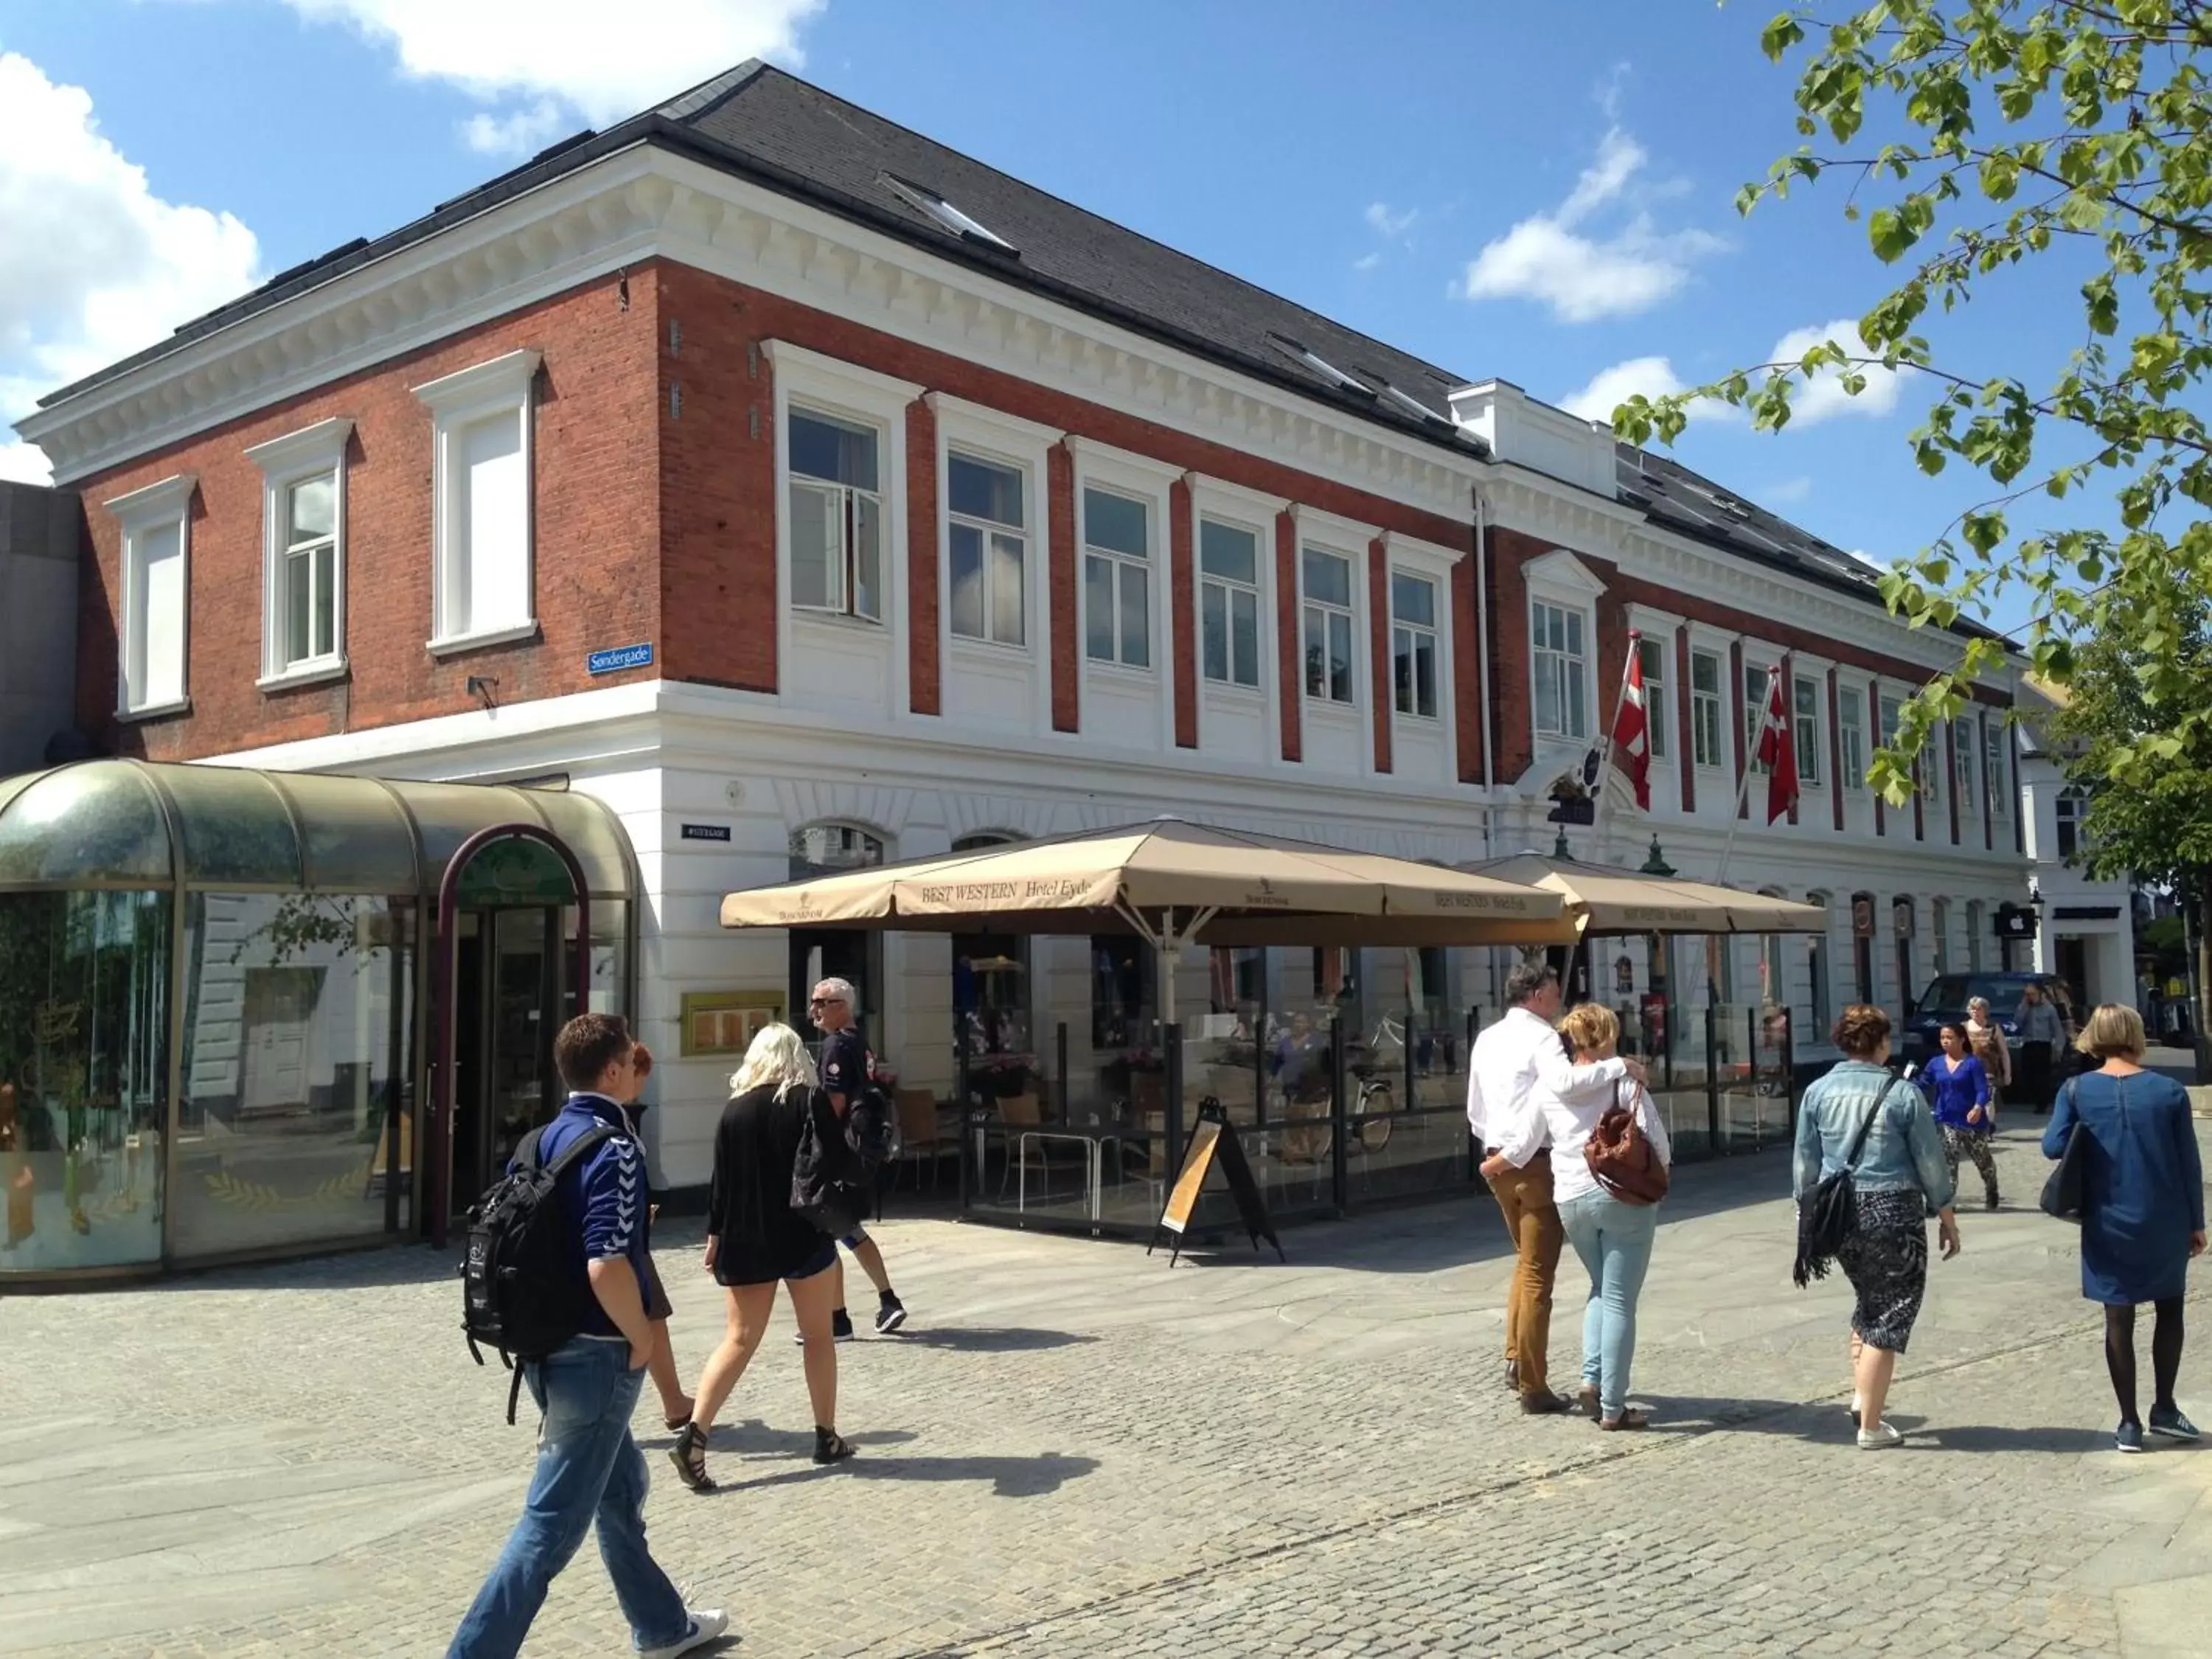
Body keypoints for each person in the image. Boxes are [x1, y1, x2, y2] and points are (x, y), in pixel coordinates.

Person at [448, 1014, 724, 1659]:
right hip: (596, 1353)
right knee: (549, 1527)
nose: (635, 1066)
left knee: (620, 1485)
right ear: (612, 1071)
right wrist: (642, 1339)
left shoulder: (539, 1140)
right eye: (630, 1058)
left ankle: (661, 1626)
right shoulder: (615, 1147)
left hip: (541, 1344)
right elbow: (606, 1262)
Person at [669, 1023, 857, 1492]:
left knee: (738, 1339)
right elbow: (837, 1159)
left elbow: (721, 1184)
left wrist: (714, 1235)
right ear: (798, 1057)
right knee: (817, 1336)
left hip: (745, 1236)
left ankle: (695, 1435)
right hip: (802, 1233)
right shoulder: (807, 1100)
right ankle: (825, 1435)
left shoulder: (733, 1111)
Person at [1470, 961, 1646, 1415]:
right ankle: (1533, 1384)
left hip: (1499, 1159)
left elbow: (1476, 1106)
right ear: (1536, 994)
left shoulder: (1487, 1037)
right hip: (1533, 1162)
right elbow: (1564, 1083)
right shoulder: (1544, 1038)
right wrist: (1618, 1066)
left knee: (1524, 1263)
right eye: (1552, 989)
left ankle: (1515, 1358)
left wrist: (1493, 1155)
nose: (1558, 996)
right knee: (1536, 1275)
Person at [1792, 1004, 1961, 1451]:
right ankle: (1870, 1424)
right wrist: (1946, 1214)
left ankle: (1861, 1395)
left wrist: (1805, 1217)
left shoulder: (1818, 1091)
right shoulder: (1903, 1095)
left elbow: (1805, 1162)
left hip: (1840, 1212)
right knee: (1890, 1313)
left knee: (1870, 1301)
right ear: (1882, 1043)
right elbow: (1930, 1160)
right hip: (1893, 1211)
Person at [2042, 1004, 2208, 1453]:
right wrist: (2197, 1222)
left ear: (2093, 1036)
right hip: (2166, 1216)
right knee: (2170, 1310)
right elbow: (2189, 1164)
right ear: (2135, 1034)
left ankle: (2129, 1423)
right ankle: (2166, 1408)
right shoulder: (2169, 1092)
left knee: (2118, 1318)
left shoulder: (2076, 1090)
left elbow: (2052, 1146)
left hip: (2106, 1218)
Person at [1538, 1002, 1672, 1430]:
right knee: (1619, 1299)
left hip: (1570, 1197)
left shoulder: (1552, 1085)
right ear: (1608, 1037)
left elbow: (1534, 1137)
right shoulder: (1622, 1078)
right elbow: (1654, 1138)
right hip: (1619, 1196)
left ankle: (1591, 1379)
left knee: (1600, 1287)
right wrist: (1661, 1178)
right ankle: (1614, 1408)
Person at [799, 978, 907, 1339]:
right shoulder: (861, 1043)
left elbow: (835, 1104)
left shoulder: (834, 1045)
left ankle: (839, 1318)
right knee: (845, 1229)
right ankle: (885, 1300)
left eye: (821, 1001)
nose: (813, 1008)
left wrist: (814, 1148)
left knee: (828, 1230)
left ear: (841, 1006)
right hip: (860, 1149)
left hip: (836, 1153)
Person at [624, 1043, 695, 1432]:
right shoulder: (615, 1124)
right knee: (650, 1316)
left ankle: (675, 1401)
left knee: (654, 1315)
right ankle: (674, 1402)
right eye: (639, 1077)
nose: (640, 1088)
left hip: (631, 1233)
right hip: (623, 1243)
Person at [1927, 1022, 2000, 1211]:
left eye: (1949, 1037)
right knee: (1948, 1161)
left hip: (1972, 1122)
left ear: (1961, 1040)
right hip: (1946, 1120)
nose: (1945, 1041)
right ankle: (1949, 1201)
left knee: (1983, 1162)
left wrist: (1977, 1107)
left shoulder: (1972, 1063)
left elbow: (1982, 1090)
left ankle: (1992, 1189)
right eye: (1943, 1038)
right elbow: (1923, 1082)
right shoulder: (1936, 1063)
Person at [2014, 983, 2066, 1112]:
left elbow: (2057, 1029)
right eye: (2027, 994)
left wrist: (2059, 1047)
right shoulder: (2024, 1008)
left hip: (2043, 1044)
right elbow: (2017, 1023)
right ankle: (2032, 1097)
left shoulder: (2049, 1009)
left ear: (2040, 994)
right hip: (2028, 1043)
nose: (2030, 997)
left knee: (2042, 1075)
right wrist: (2024, 1006)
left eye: (2032, 994)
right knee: (2028, 1074)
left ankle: (2042, 1103)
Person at [1964, 995, 2011, 1109]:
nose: (1975, 1012)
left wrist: (2007, 1074)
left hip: (1989, 1072)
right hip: (1968, 1072)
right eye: (1972, 1009)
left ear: (1985, 1011)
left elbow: (2004, 1052)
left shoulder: (1994, 1028)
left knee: (1988, 1104)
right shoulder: (1963, 1028)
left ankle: (1988, 1124)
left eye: (1978, 1009)